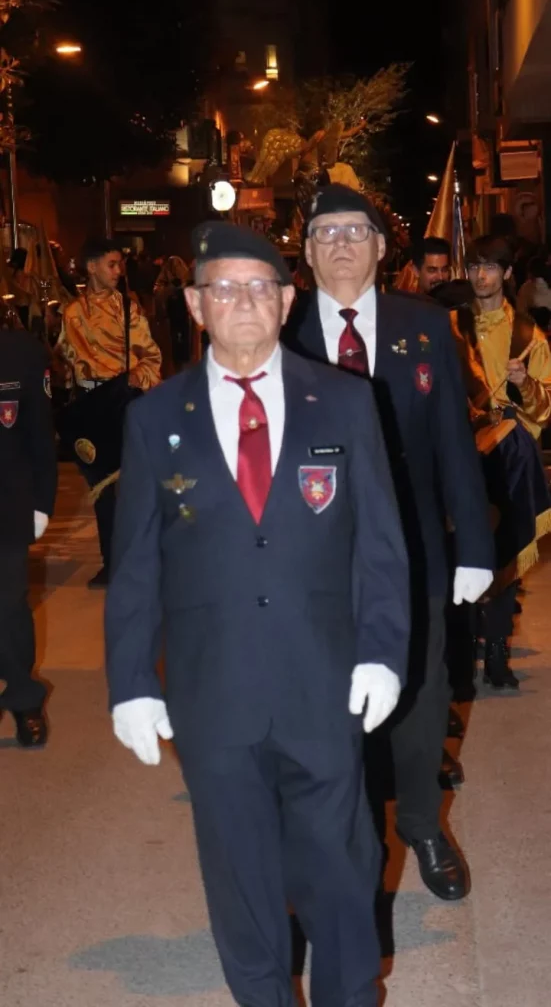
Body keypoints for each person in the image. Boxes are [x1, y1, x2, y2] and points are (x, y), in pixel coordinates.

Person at [105, 221, 411, 1007]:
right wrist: (132, 682)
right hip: (215, 690)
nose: (241, 301)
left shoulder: (343, 403)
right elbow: (136, 562)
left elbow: (379, 542)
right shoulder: (153, 418)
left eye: (257, 287)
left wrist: (381, 649)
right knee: (239, 877)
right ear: (195, 305)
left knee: (340, 869)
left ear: (284, 300)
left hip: (323, 681)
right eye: (222, 288)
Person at [287, 183, 494, 901]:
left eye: (356, 231)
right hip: (312, 554)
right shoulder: (276, 331)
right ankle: (353, 840)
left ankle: (418, 823)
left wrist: (473, 544)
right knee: (326, 702)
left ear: (381, 246)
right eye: (325, 232)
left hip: (411, 547)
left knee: (421, 690)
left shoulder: (426, 325)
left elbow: (452, 446)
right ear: (307, 252)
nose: (341, 243)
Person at [452, 235, 551, 687]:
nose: (482, 276)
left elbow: (544, 411)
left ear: (508, 273)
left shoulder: (530, 336)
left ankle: (496, 655)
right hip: (462, 452)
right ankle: (459, 654)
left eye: (491, 267)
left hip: (512, 453)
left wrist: (525, 382)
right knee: (461, 553)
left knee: (506, 558)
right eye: (474, 267)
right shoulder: (450, 328)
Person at [56, 238, 161, 588]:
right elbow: (67, 361)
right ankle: (111, 561)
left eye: (120, 265)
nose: (118, 272)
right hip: (91, 408)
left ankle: (142, 559)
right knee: (100, 490)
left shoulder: (129, 310)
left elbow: (151, 356)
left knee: (134, 487)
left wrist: (135, 377)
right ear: (92, 267)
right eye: (112, 264)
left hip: (124, 404)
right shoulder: (72, 314)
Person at [0, 319, 57, 747]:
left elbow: (40, 435)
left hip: (7, 501)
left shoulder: (21, 352)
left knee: (7, 604)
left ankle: (23, 699)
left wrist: (42, 503)